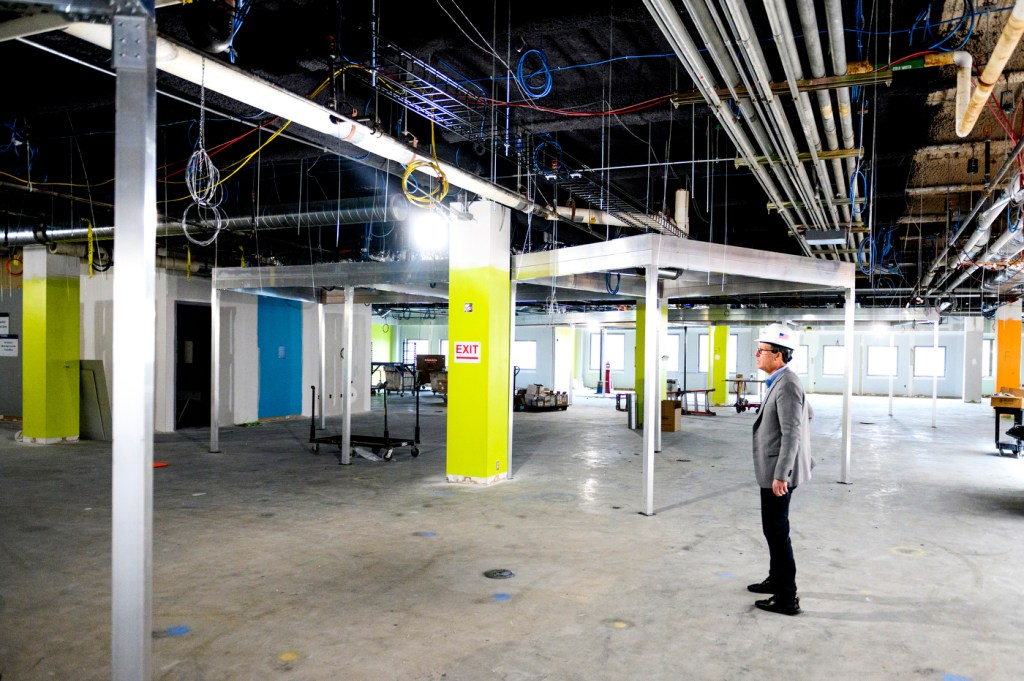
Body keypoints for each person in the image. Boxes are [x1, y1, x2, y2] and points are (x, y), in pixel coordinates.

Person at [747, 323, 813, 616]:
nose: (756, 354)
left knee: (777, 531)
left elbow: (792, 433)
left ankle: (787, 596)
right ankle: (776, 579)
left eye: (761, 351)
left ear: (778, 355)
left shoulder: (786, 384)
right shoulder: (779, 381)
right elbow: (808, 414)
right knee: (771, 529)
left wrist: (781, 474)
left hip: (779, 474)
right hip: (775, 469)